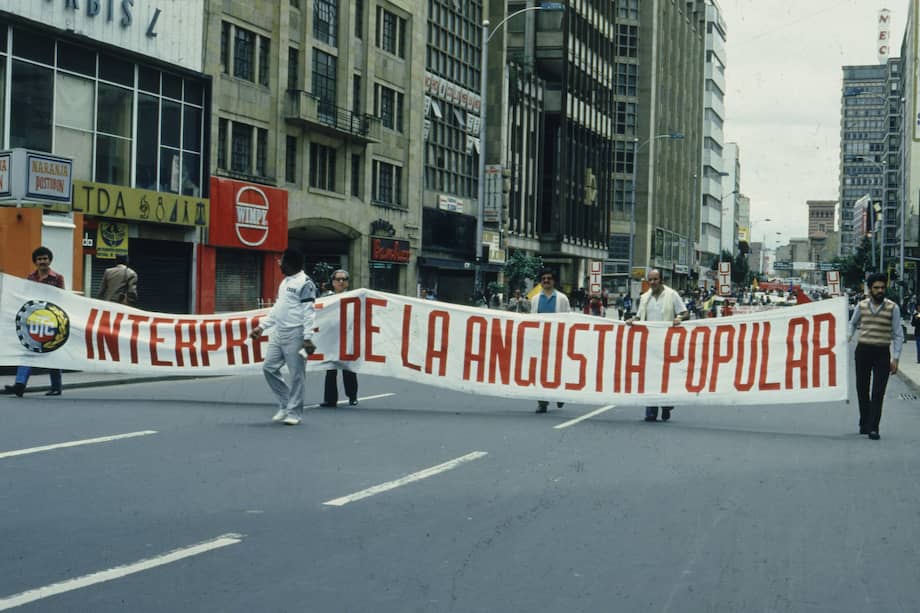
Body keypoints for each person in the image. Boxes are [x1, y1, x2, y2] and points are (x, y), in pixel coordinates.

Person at [249, 249, 317, 426]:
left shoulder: (306, 283)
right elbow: (278, 309)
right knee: (269, 367)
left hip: (296, 334)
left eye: (282, 261)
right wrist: (262, 327)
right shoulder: (285, 282)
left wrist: (307, 337)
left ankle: (294, 413)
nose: (279, 263)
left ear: (291, 263)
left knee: (296, 375)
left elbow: (309, 313)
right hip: (278, 332)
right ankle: (286, 403)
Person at [627, 269, 688, 422]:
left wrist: (679, 318)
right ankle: (651, 410)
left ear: (661, 280)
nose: (652, 282)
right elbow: (639, 316)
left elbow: (685, 312)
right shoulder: (644, 298)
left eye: (655, 279)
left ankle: (666, 404)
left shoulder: (671, 294)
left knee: (665, 376)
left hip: (667, 342)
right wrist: (632, 320)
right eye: (650, 280)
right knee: (650, 376)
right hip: (649, 343)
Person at [4, 246, 66, 397]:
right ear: (35, 262)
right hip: (35, 320)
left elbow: (63, 299)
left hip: (52, 320)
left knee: (52, 352)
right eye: (39, 259)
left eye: (45, 258)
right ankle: (20, 385)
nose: (42, 261)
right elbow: (26, 296)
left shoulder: (57, 278)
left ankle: (56, 387)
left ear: (49, 260)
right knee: (28, 351)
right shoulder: (30, 278)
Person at [848, 272, 903, 440]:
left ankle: (874, 427)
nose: (880, 290)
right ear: (870, 289)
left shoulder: (893, 307)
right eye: (876, 288)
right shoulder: (861, 306)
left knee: (878, 391)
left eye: (882, 287)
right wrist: (849, 335)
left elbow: (898, 334)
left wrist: (896, 358)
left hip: (882, 353)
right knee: (862, 389)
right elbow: (853, 323)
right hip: (863, 350)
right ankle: (864, 421)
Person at [530, 269, 571, 413]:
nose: (546, 280)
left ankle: (560, 395)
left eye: (549, 278)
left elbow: (568, 319)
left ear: (554, 281)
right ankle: (542, 402)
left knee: (557, 369)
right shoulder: (535, 299)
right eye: (543, 278)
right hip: (540, 340)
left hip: (557, 340)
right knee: (540, 371)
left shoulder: (562, 299)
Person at [321, 269, 358, 408]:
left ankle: (352, 396)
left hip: (348, 336)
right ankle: (330, 399)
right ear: (333, 281)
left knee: (348, 368)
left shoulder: (354, 297)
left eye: (344, 279)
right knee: (330, 369)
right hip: (331, 337)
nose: (340, 282)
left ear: (347, 282)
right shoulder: (326, 298)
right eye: (338, 279)